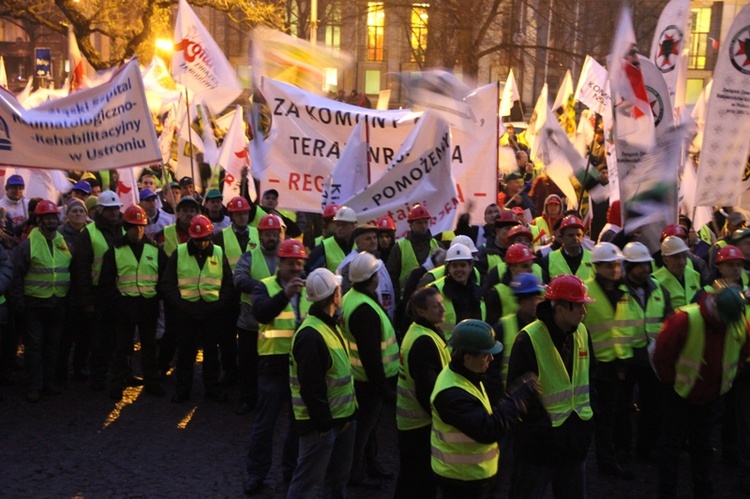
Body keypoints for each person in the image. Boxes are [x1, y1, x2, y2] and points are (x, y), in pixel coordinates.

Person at [652, 287, 750, 498]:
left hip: (711, 395)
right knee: (671, 445)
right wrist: (670, 381)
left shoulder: (737, 321)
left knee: (703, 446)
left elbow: (743, 349)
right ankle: (667, 492)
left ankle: (703, 490)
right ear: (714, 304)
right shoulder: (685, 319)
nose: (724, 324)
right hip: (678, 393)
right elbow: (662, 354)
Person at [508, 274, 596, 498]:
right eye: (578, 307)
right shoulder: (528, 339)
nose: (584, 312)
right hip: (539, 448)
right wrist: (543, 429)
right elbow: (518, 394)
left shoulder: (582, 332)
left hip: (573, 442)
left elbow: (589, 377)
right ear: (559, 309)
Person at [431, 319, 539, 498]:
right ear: (467, 358)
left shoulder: (466, 375)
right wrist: (518, 398)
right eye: (485, 354)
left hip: (468, 475)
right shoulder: (451, 394)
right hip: (462, 480)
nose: (491, 358)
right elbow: (489, 429)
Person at [243, 239, 310, 496]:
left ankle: (290, 472)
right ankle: (256, 474)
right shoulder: (265, 286)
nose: (295, 268)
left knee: (297, 425)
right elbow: (261, 313)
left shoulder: (308, 289)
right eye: (290, 263)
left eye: (299, 263)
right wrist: (285, 295)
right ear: (279, 263)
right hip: (273, 366)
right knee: (265, 424)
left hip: (300, 367)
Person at [287, 268, 357, 498]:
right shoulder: (312, 335)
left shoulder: (326, 325)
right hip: (321, 426)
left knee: (335, 480)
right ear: (335, 295)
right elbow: (311, 388)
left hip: (338, 420)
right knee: (306, 484)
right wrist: (325, 427)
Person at [341, 252, 398, 489]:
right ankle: (356, 473)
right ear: (372, 278)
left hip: (361, 380)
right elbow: (371, 355)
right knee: (363, 431)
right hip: (368, 383)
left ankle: (370, 465)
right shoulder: (363, 308)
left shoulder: (351, 297)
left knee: (368, 430)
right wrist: (383, 389)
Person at [161, 215, 233, 402]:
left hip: (211, 312)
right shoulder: (179, 252)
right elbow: (168, 283)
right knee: (185, 354)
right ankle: (182, 390)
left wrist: (218, 304)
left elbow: (227, 284)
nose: (202, 243)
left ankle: (212, 389)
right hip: (186, 312)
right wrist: (181, 305)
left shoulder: (218, 252)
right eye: (198, 239)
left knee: (211, 354)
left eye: (205, 239)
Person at [99, 205, 166, 400]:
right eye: (134, 227)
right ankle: (117, 383)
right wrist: (119, 302)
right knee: (122, 348)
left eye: (141, 227)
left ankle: (151, 382)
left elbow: (165, 277)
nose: (138, 231)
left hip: (148, 306)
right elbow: (106, 282)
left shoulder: (154, 250)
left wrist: (156, 296)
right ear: (126, 227)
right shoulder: (115, 251)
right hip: (123, 308)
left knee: (149, 347)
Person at [582, 242, 635, 479]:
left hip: (620, 364)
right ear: (596, 267)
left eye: (617, 264)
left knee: (616, 415)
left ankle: (614, 456)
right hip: (595, 366)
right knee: (601, 419)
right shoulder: (587, 292)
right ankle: (604, 462)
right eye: (609, 265)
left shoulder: (624, 292)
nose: (615, 269)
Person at [11, 200, 71, 402]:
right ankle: (34, 385)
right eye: (47, 217)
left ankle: (48, 382)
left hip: (57, 303)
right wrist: (19, 302)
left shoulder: (63, 243)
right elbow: (16, 275)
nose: (52, 220)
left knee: (53, 345)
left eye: (54, 216)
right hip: (33, 304)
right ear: (39, 220)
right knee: (35, 346)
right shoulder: (27, 245)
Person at [394, 287, 450, 498]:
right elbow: (426, 391)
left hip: (412, 425)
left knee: (409, 480)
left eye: (441, 303)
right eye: (436, 306)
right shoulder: (424, 341)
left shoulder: (421, 331)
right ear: (421, 311)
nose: (443, 309)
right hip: (420, 427)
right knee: (419, 483)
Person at [621, 241, 672, 461]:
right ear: (628, 266)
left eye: (647, 264)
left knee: (652, 408)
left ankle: (645, 449)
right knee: (622, 410)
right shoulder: (616, 290)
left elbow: (668, 322)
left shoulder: (660, 289)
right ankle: (622, 450)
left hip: (651, 359)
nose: (646, 269)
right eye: (640, 265)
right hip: (626, 358)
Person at [73, 190, 124, 391]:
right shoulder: (89, 233)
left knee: (120, 339)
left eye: (116, 209)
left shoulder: (122, 229)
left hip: (120, 292)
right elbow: (82, 270)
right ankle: (98, 377)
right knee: (99, 340)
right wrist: (86, 301)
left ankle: (120, 374)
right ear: (100, 210)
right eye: (110, 210)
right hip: (97, 294)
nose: (114, 214)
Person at [233, 214, 282, 415]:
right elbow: (239, 279)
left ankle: (275, 402)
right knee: (248, 365)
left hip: (277, 327)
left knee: (275, 368)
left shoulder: (286, 257)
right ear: (260, 236)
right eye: (267, 234)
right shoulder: (248, 256)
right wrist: (264, 288)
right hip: (250, 324)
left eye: (274, 234)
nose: (271, 237)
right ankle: (247, 400)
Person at [428, 244, 485, 341]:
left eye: (463, 265)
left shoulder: (478, 292)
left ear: (470, 267)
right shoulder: (435, 290)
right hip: (447, 351)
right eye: (455, 265)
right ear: (448, 268)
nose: (459, 269)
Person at [338, 224, 395, 319]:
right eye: (368, 239)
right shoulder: (352, 263)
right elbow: (347, 293)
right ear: (358, 243)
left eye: (374, 238)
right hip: (366, 317)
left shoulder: (377, 259)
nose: (373, 241)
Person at [386, 204, 439, 297]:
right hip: (407, 300)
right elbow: (391, 277)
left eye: (425, 222)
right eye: (419, 222)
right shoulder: (400, 247)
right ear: (411, 225)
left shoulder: (437, 245)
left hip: (433, 299)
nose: (423, 226)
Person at [541, 215, 594, 283]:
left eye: (578, 235)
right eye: (570, 235)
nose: (575, 238)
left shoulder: (593, 258)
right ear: (562, 237)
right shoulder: (548, 260)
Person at [653, 236, 702, 309]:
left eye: (684, 257)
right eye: (676, 258)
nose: (682, 262)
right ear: (665, 260)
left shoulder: (694, 275)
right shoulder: (655, 281)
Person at [307, 206, 357, 274]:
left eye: (343, 225)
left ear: (353, 227)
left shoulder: (360, 244)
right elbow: (310, 273)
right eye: (337, 225)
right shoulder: (323, 248)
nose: (339, 228)